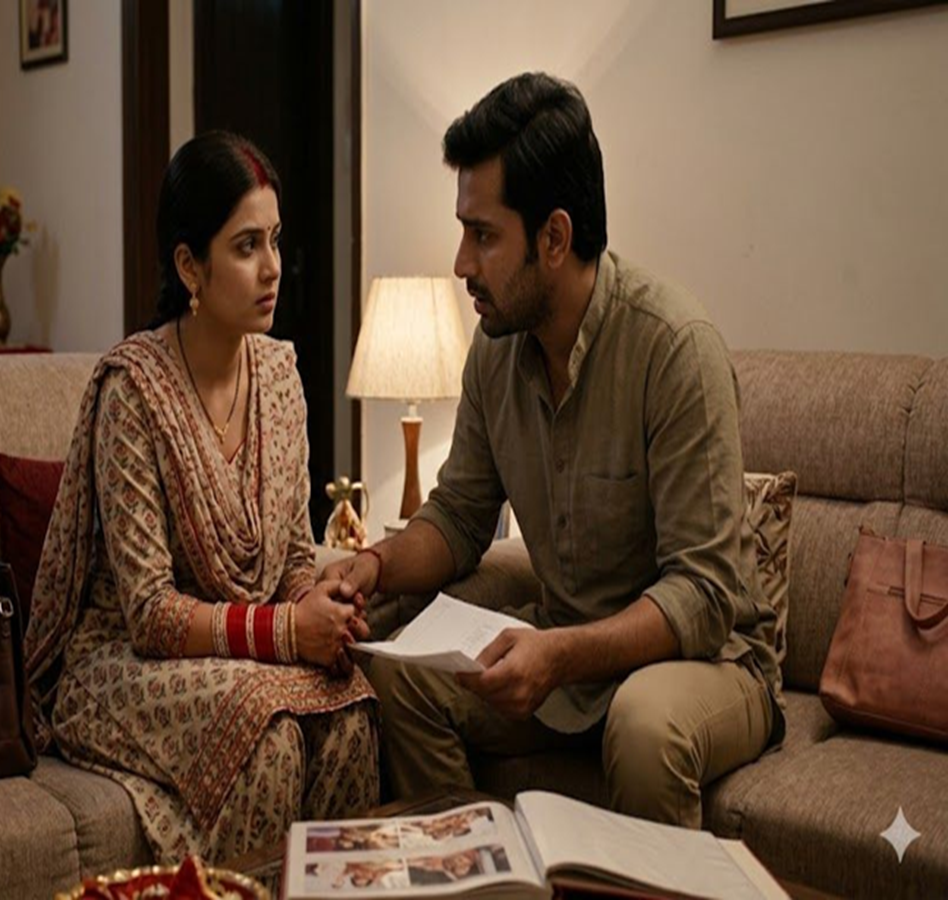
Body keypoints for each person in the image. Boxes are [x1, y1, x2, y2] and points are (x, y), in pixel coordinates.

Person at [325, 73, 784, 829]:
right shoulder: (495, 350)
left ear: (555, 238)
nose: (461, 263)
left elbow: (704, 596)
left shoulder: (675, 348)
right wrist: (373, 565)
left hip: (706, 661)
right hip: (568, 647)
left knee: (645, 726)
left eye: (483, 235)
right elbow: (460, 516)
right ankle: (485, 871)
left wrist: (559, 654)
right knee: (403, 680)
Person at [24, 131, 378, 863]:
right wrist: (290, 632)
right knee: (267, 737)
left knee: (351, 718)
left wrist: (322, 605)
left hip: (238, 661)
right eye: (246, 246)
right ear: (190, 265)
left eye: (275, 240)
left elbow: (293, 558)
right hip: (121, 663)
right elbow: (151, 614)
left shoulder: (279, 375)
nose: (272, 267)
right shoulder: (133, 392)